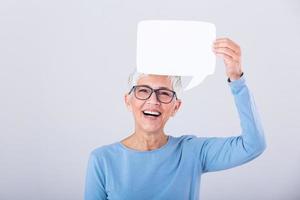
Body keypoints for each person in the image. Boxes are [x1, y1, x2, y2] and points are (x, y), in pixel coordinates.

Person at [84, 38, 266, 200]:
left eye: (164, 93)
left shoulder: (192, 152)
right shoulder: (102, 160)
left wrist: (236, 79)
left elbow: (253, 145)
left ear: (175, 107)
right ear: (128, 101)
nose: (153, 101)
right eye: (144, 91)